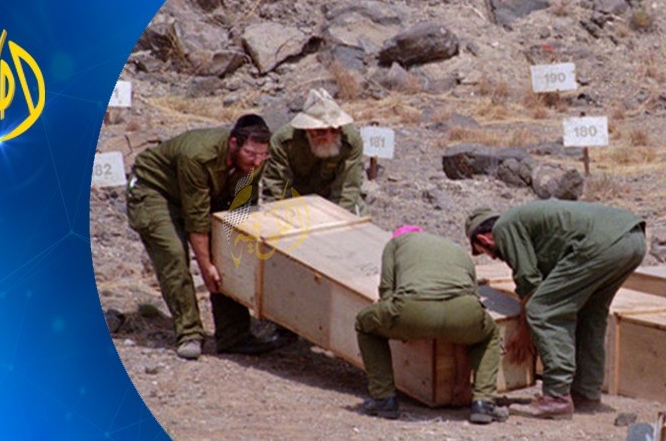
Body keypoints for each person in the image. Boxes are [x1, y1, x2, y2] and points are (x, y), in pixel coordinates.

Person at [127, 114, 289, 360]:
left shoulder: (255, 161)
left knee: (229, 249)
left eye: (262, 155)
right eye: (250, 154)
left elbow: (242, 207)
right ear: (233, 143)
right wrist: (205, 266)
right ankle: (189, 332)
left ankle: (234, 335)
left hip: (203, 194)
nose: (257, 162)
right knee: (173, 253)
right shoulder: (198, 156)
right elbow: (197, 219)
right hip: (156, 191)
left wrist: (233, 248)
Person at [465, 200, 646, 419]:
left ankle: (556, 397)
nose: (492, 257)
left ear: (483, 239)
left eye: (484, 251)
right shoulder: (527, 224)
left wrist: (524, 330)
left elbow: (529, 282)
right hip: (632, 239)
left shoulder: (505, 227)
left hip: (602, 243)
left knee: (543, 309)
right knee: (590, 314)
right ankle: (586, 393)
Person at [355, 226, 503, 424]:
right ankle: (484, 403)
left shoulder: (395, 244)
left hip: (414, 308)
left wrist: (402, 327)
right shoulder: (456, 249)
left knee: (365, 324)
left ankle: (383, 399)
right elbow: (473, 294)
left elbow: (387, 292)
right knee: (490, 335)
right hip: (463, 312)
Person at [261, 88, 367, 216]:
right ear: (307, 129)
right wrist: (294, 218)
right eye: (321, 131)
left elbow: (347, 189)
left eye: (334, 130)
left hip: (335, 199)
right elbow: (277, 187)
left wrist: (336, 218)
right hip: (296, 200)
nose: (329, 138)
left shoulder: (351, 141)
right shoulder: (283, 142)